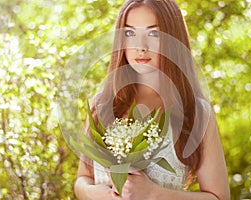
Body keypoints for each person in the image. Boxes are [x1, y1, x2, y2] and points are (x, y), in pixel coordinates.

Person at [74, 0, 230, 199]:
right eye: (130, 33)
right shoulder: (103, 103)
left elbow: (219, 197)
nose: (141, 46)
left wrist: (153, 193)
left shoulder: (196, 112)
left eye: (153, 33)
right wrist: (96, 193)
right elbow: (82, 180)